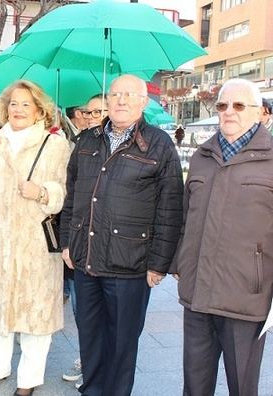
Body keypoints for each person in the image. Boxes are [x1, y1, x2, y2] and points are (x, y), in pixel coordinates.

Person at [170, 78, 273, 396]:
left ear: (259, 112)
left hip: (246, 297)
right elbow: (185, 216)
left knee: (242, 385)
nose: (228, 112)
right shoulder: (202, 157)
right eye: (222, 105)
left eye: (238, 105)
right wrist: (180, 259)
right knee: (194, 385)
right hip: (197, 296)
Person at [60, 74, 184, 396]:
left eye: (130, 95)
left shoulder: (159, 144)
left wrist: (159, 264)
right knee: (90, 336)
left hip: (130, 265)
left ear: (144, 102)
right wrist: (66, 243)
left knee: (121, 343)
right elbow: (70, 196)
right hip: (86, 260)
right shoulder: (86, 141)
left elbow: (170, 209)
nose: (121, 100)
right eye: (115, 94)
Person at [0, 80, 70, 396]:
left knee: (36, 318)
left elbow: (66, 193)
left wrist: (42, 192)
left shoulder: (56, 146)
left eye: (26, 104)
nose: (18, 109)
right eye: (13, 103)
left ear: (39, 109)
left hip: (35, 249)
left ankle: (29, 380)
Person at [61, 93, 108, 389]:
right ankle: (88, 358)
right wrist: (66, 242)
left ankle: (101, 365)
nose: (92, 117)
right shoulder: (80, 145)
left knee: (107, 315)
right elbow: (70, 197)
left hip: (113, 249)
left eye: (98, 112)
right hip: (80, 245)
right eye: (88, 113)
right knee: (82, 311)